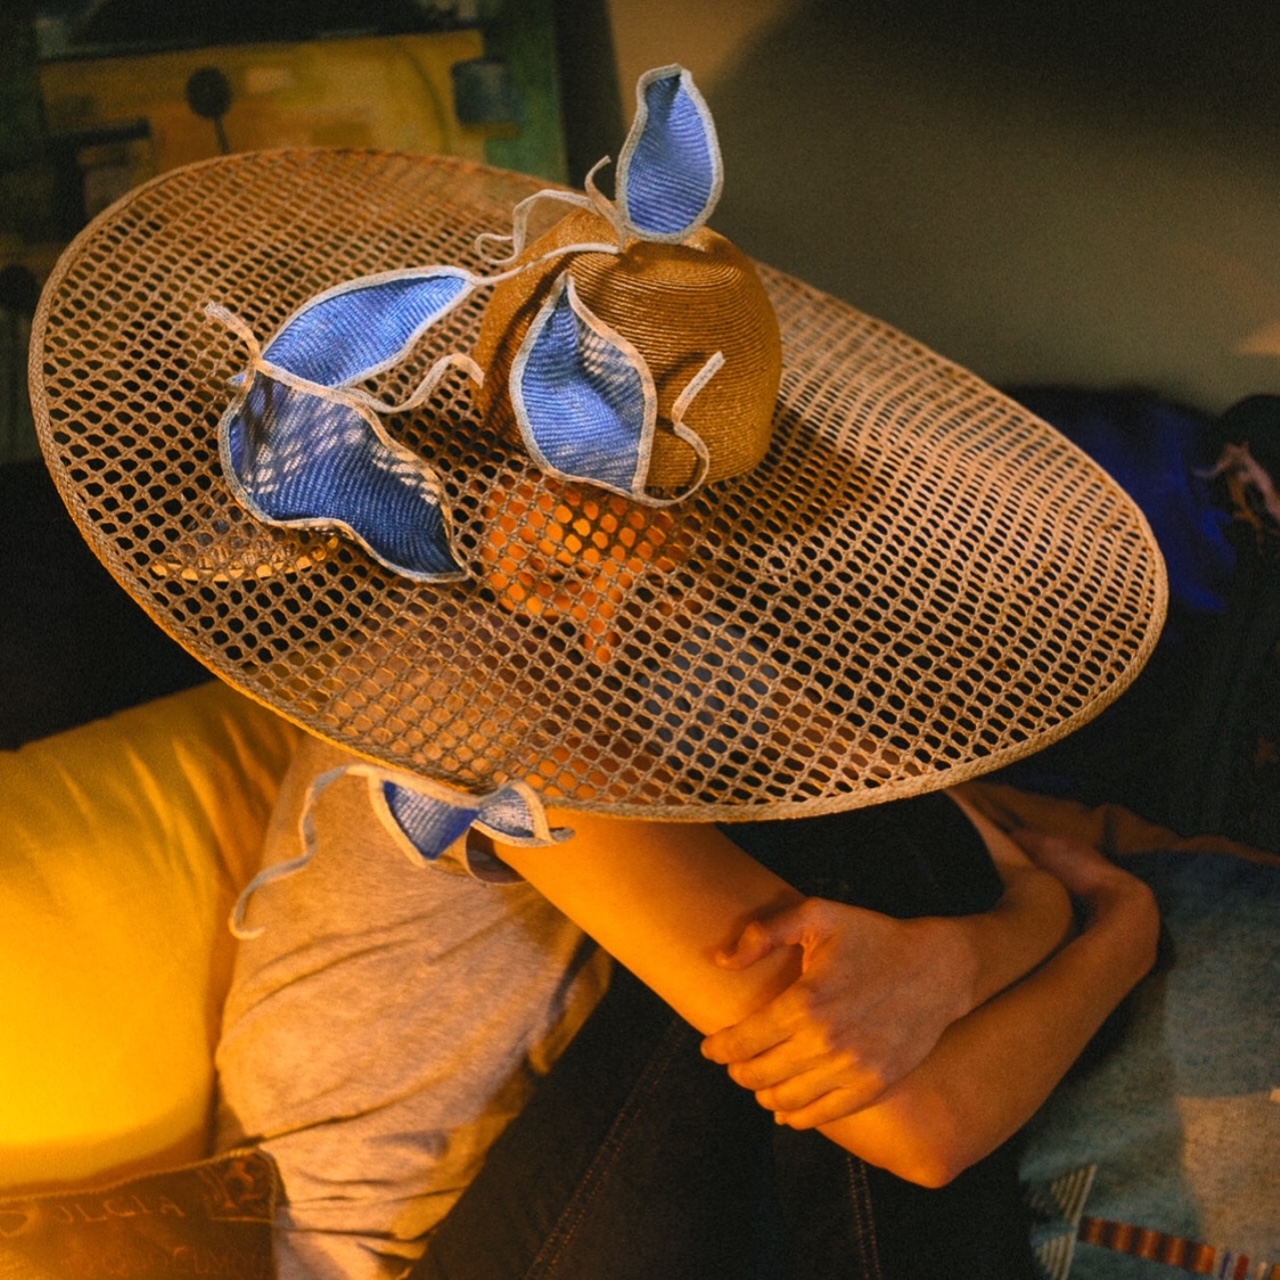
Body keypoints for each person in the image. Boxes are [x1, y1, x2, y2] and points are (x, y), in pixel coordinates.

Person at [27, 65, 1166, 1280]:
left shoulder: (676, 645)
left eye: (659, 492)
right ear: (466, 445)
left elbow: (974, 825)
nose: (602, 523)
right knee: (859, 868)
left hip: (580, 1171)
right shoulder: (453, 688)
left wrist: (985, 938)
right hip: (400, 1258)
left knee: (874, 844)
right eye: (554, 464)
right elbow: (920, 1128)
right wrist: (1097, 931)